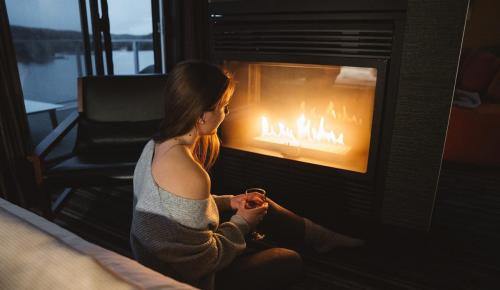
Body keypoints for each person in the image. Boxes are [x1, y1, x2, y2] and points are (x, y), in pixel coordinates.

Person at [130, 60, 364, 290]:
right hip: (185, 280)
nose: (226, 114)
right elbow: (204, 262)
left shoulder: (154, 146)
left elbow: (174, 209)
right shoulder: (191, 174)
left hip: (161, 260)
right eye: (223, 107)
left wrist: (229, 201)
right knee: (290, 260)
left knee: (258, 202)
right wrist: (242, 222)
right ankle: (314, 241)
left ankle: (322, 237)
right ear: (202, 115)